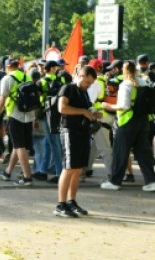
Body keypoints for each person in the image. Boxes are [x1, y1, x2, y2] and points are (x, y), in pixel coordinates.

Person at [101, 60, 155, 191]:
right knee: (144, 152)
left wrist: (107, 106)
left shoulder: (126, 84)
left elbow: (124, 106)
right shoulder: (144, 82)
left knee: (120, 151)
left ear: (123, 71)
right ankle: (151, 181)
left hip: (127, 121)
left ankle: (115, 181)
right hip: (143, 121)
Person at [55, 65, 100, 217]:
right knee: (68, 167)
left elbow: (87, 109)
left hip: (82, 132)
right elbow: (62, 108)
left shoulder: (84, 92)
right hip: (69, 131)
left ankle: (71, 201)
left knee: (78, 168)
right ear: (80, 75)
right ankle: (60, 204)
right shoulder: (68, 88)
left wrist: (94, 114)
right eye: (87, 82)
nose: (88, 85)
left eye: (91, 83)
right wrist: (83, 112)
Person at [0, 59, 36, 186]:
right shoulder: (27, 76)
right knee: (19, 145)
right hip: (28, 115)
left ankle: (27, 177)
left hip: (15, 115)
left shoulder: (7, 79)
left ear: (7, 67)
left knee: (19, 146)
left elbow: (1, 101)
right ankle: (7, 172)